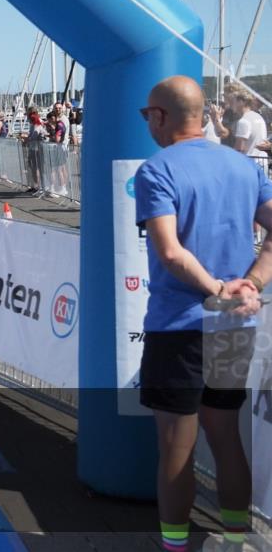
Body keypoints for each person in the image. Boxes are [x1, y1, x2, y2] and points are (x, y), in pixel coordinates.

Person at [135, 75, 272, 552]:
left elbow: (171, 253)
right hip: (235, 322)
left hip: (182, 325)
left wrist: (217, 288)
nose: (146, 122)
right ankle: (234, 541)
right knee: (226, 436)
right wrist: (251, 283)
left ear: (161, 116)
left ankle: (175, 546)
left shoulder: (157, 170)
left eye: (146, 114)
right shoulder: (243, 167)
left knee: (177, 445)